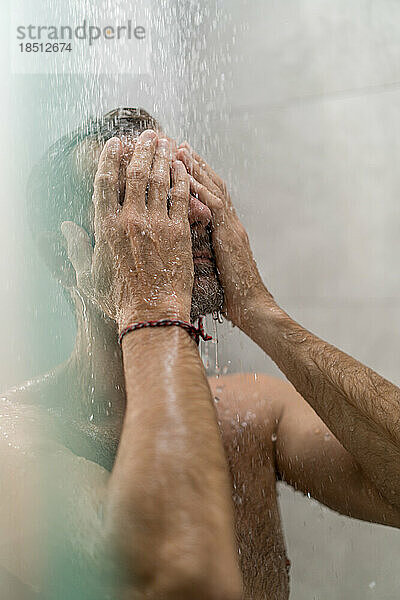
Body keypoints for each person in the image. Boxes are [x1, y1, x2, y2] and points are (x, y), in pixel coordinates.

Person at [1, 107, 399, 600]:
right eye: (143, 196)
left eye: (183, 185)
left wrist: (258, 308)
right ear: (63, 254)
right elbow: (171, 579)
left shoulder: (247, 413)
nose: (193, 212)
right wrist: (153, 308)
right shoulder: (15, 442)